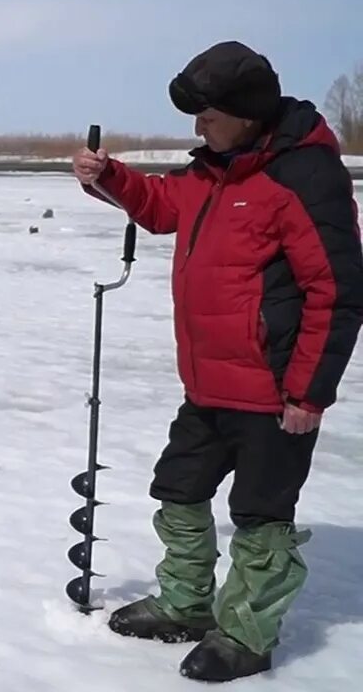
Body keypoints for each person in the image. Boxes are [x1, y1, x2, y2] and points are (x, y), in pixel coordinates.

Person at [72, 40, 363, 682]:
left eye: (207, 115)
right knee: (177, 489)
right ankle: (185, 604)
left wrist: (308, 394)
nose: (197, 128)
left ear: (247, 109)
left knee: (260, 516)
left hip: (275, 390)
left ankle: (246, 636)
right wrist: (109, 177)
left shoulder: (303, 176)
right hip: (207, 382)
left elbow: (337, 292)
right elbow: (160, 206)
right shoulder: (212, 170)